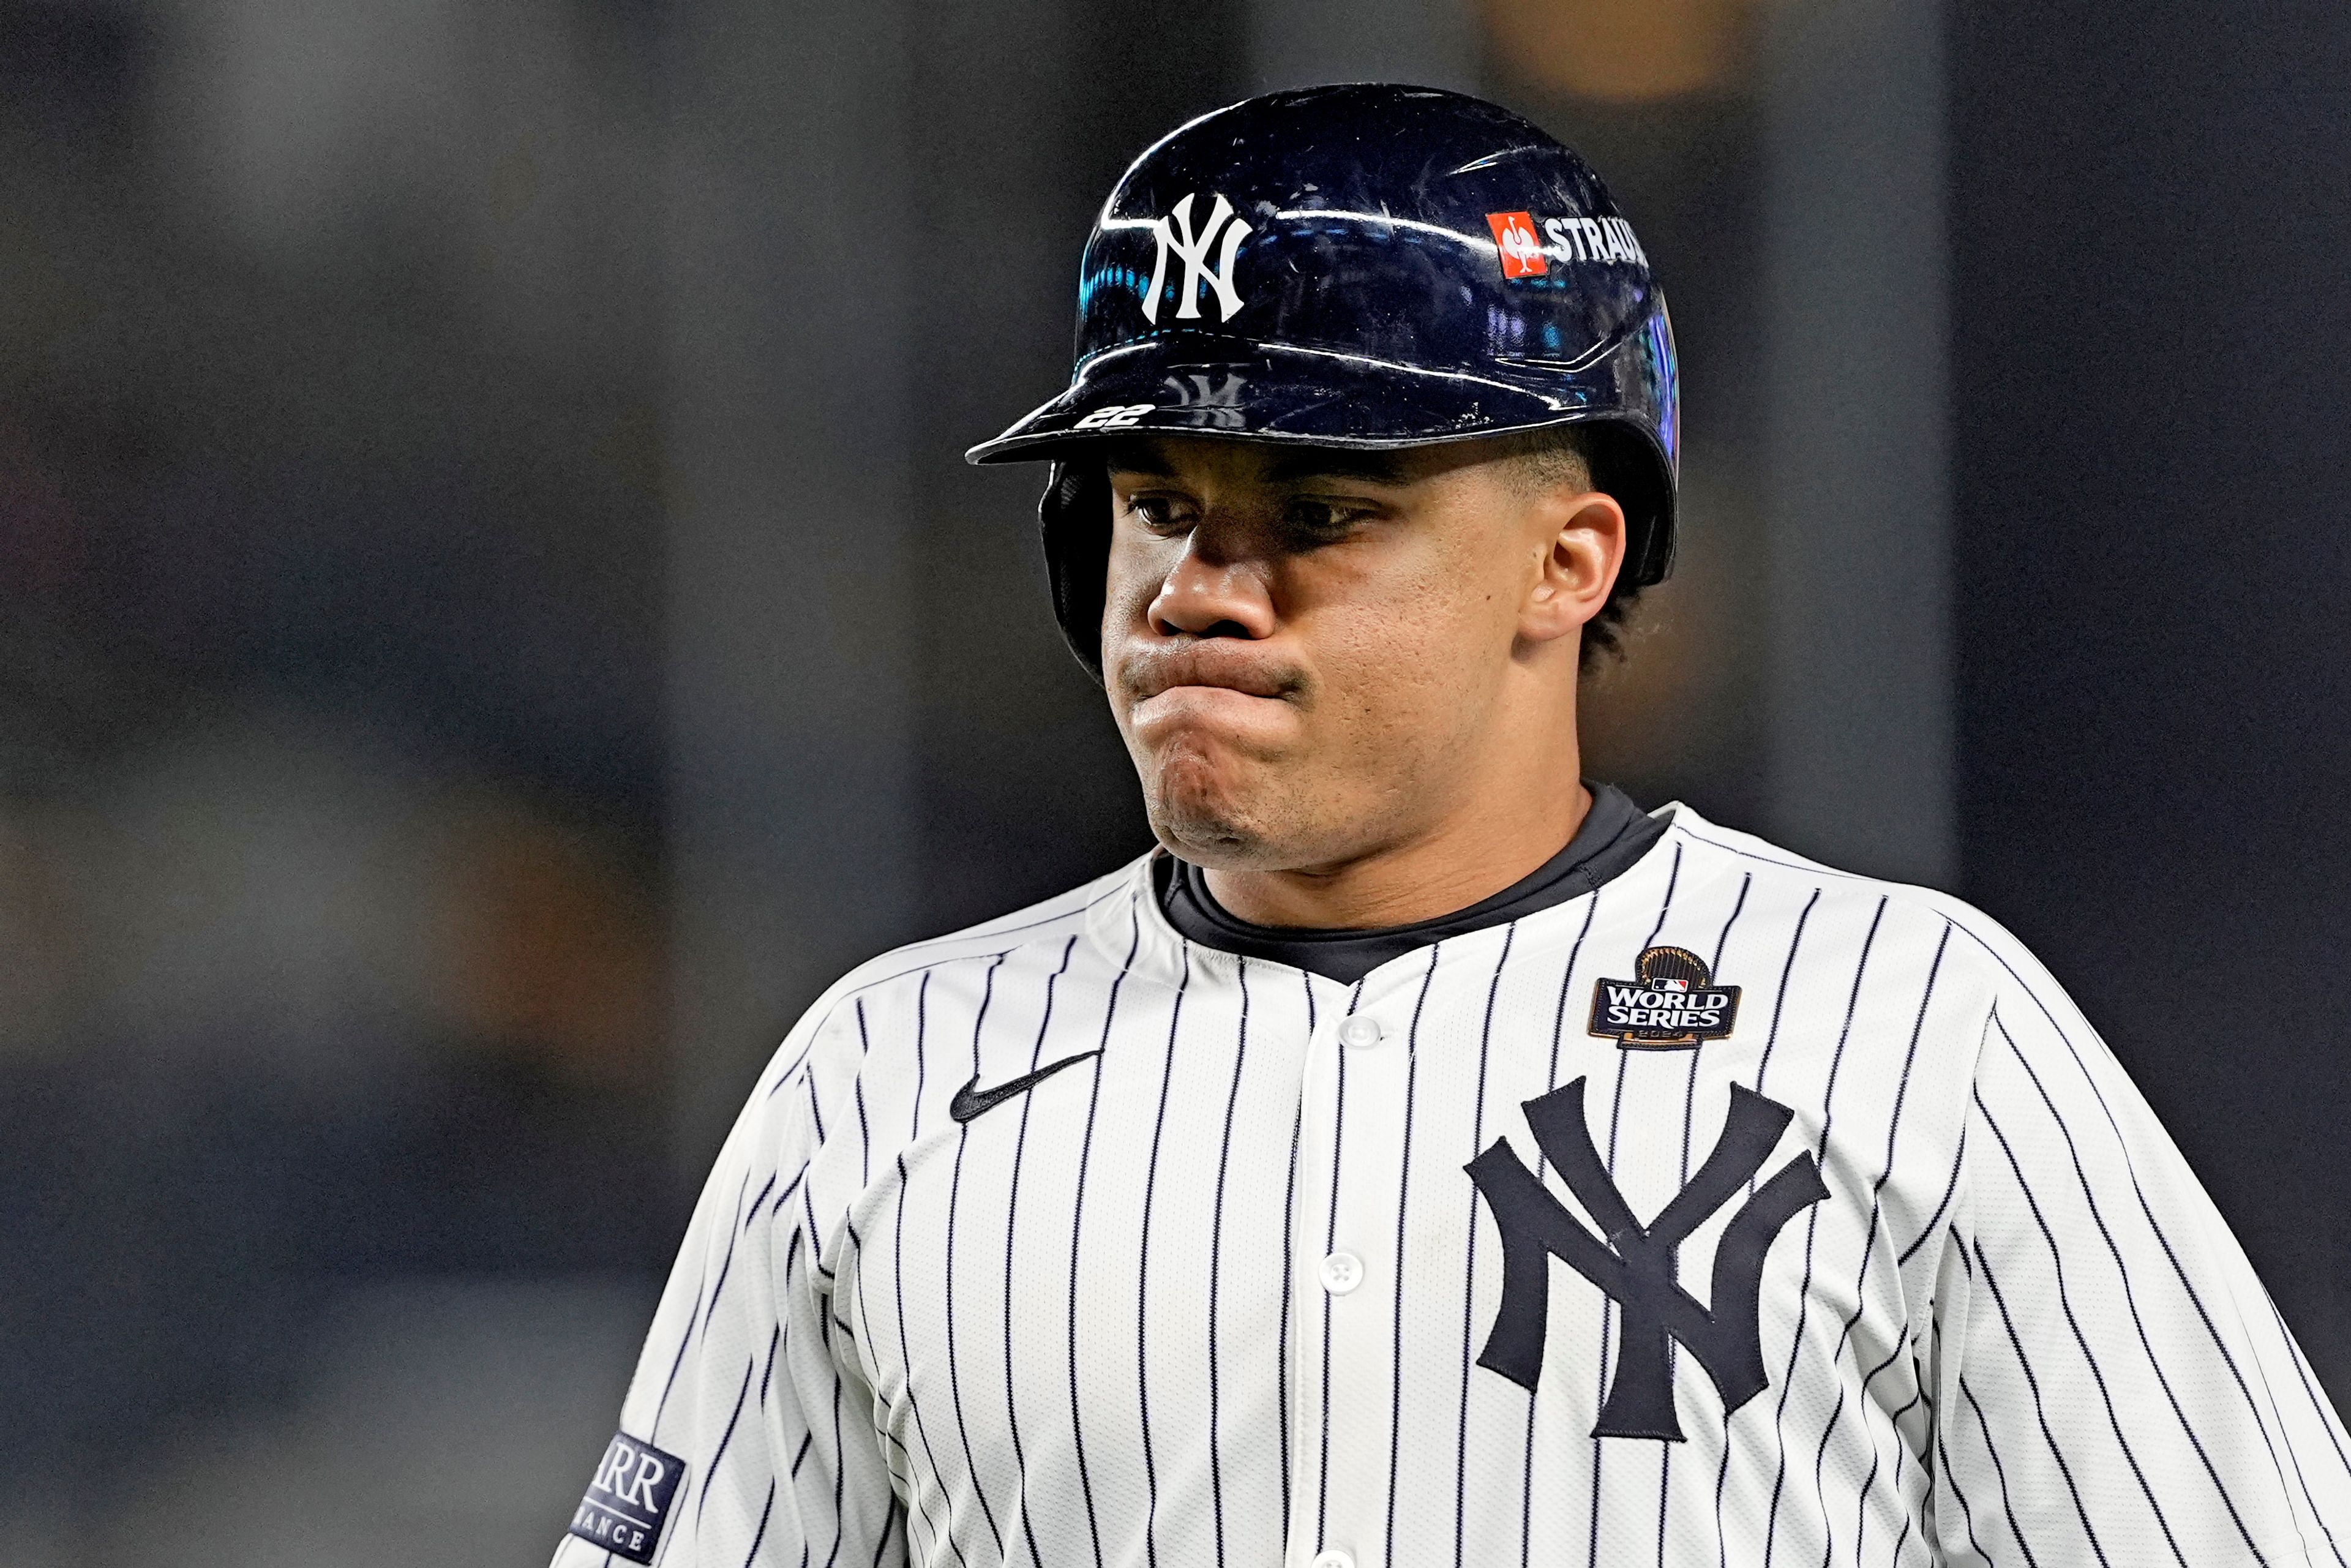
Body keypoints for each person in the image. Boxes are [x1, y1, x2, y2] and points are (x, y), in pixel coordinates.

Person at [553, 83, 2350, 1568]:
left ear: (1569, 562)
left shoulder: (1918, 1031)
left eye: (1320, 509)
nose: (1196, 587)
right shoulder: (884, 1076)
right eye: (1155, 500)